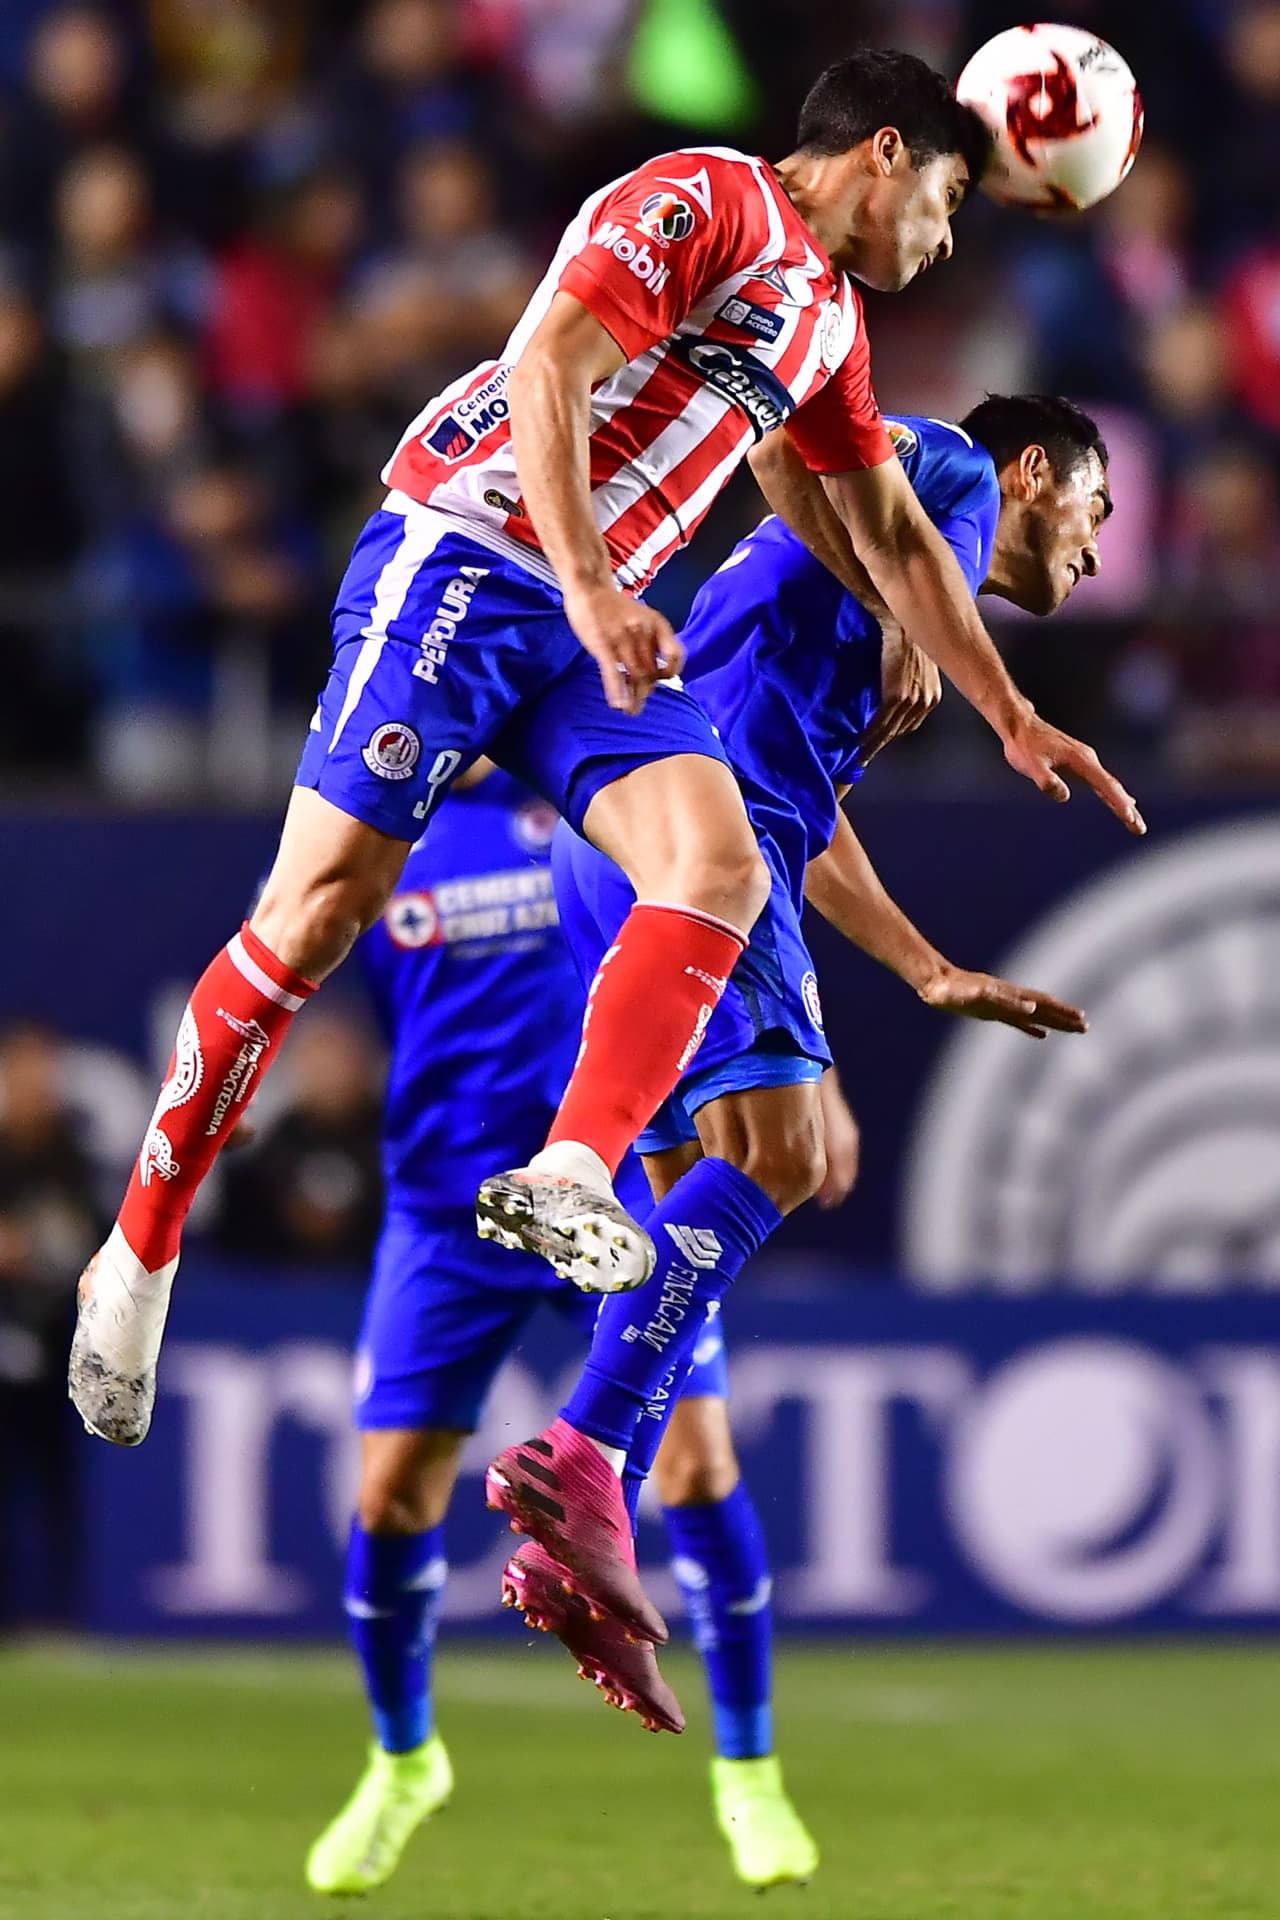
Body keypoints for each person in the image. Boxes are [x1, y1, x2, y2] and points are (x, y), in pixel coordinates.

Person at [71, 51, 1141, 1453]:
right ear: (883, 153)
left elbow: (882, 530)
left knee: (718, 863)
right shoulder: (702, 199)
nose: (948, 237)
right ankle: (139, 1252)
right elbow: (544, 364)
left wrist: (1008, 711)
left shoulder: (826, 329)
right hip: (471, 552)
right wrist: (585, 584)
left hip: (596, 618)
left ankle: (573, 1165)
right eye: (945, 199)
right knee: (316, 917)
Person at [488, 393, 1114, 1716]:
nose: (1101, 550)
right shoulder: (942, 466)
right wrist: (896, 605)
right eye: (1097, 510)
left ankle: (581, 1542)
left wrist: (923, 965)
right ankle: (584, 1450)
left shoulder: (891, 588)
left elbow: (807, 808)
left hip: (632, 840)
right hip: (701, 843)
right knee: (786, 1151)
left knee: (680, 1214)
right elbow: (779, 437)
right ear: (1038, 470)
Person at [304, 762, 852, 1896]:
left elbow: (753, 895)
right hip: (444, 1210)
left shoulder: (620, 786)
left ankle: (748, 1776)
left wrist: (808, 1067)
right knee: (391, 1495)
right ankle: (402, 1761)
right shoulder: (386, 811)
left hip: (613, 1196)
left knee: (696, 1474)